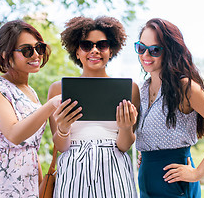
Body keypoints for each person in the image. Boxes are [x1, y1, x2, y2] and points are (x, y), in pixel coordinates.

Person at [0, 20, 78, 197]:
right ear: (6, 55)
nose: (36, 55)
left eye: (39, 48)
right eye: (27, 50)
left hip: (27, 183)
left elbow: (30, 149)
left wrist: (40, 186)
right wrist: (50, 105)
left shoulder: (31, 92)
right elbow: (14, 134)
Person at [134, 18, 204, 198]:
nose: (145, 55)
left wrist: (198, 172)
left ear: (170, 52)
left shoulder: (184, 86)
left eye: (155, 50)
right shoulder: (143, 88)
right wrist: (147, 150)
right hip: (146, 181)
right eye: (141, 48)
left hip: (175, 184)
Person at [48, 16, 139, 198]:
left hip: (114, 167)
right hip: (73, 166)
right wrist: (64, 128)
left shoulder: (130, 89)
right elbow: (60, 146)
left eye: (102, 45)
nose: (95, 50)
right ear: (77, 51)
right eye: (86, 45)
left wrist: (126, 127)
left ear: (111, 50)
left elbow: (124, 146)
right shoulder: (58, 89)